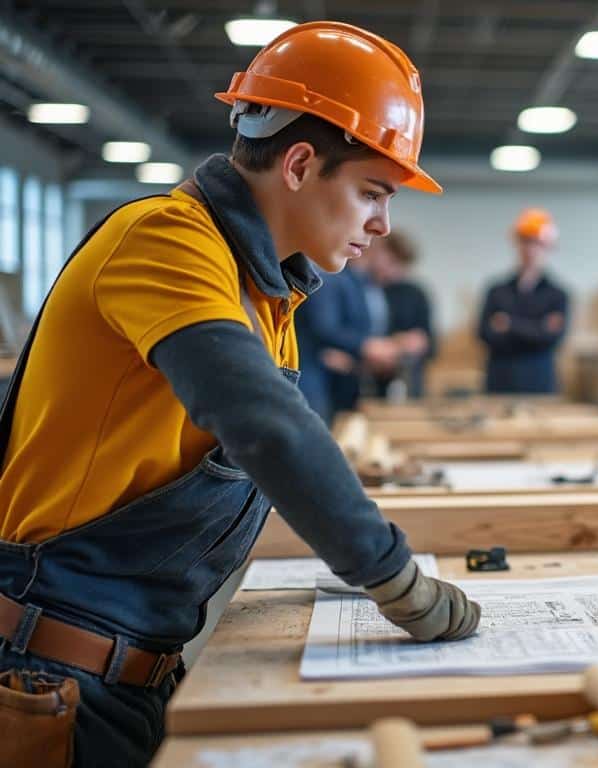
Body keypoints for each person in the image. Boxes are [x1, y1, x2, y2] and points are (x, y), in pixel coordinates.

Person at [0, 23, 479, 766]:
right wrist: (396, 580)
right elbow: (266, 427)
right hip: (51, 675)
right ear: (297, 163)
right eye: (372, 193)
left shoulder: (267, 292)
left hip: (131, 670)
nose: (382, 226)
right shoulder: (165, 238)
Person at [295, 257, 403, 422]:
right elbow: (324, 327)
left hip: (343, 371)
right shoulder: (331, 276)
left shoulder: (361, 282)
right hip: (311, 371)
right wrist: (364, 346)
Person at [477, 208, 569, 394]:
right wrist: (537, 327)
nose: (530, 249)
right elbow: (484, 333)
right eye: (525, 242)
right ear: (517, 244)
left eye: (536, 243)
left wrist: (509, 324)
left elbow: (552, 339)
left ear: (548, 247)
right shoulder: (496, 291)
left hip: (539, 386)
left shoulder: (558, 295)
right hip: (499, 384)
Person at [367, 232, 435, 399]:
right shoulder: (366, 290)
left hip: (408, 379)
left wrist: (418, 342)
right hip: (368, 378)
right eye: (390, 262)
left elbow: (432, 343)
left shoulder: (416, 293)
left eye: (399, 264)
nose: (393, 270)